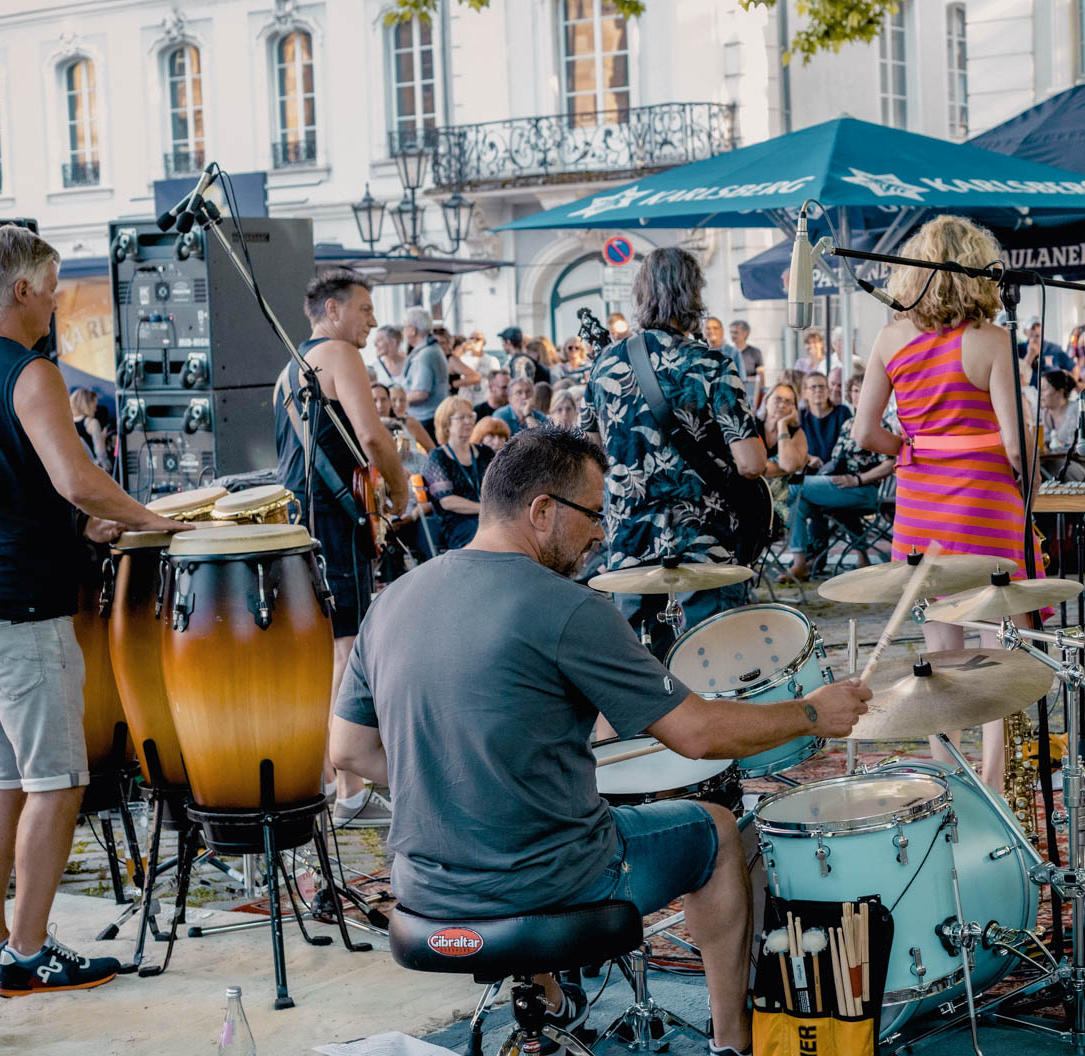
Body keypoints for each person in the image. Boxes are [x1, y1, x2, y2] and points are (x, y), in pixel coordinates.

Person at [328, 427, 871, 1056]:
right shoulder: (568, 608)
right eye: (592, 512)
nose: (600, 534)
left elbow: (347, 752)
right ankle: (733, 1043)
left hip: (423, 893)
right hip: (550, 883)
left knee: (528, 824)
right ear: (541, 511)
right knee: (719, 830)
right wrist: (811, 712)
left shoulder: (392, 601)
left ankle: (550, 1000)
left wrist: (466, 780)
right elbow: (696, 734)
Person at [0, 225, 193, 996]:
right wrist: (151, 519)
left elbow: (5, 492)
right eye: (54, 283)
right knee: (55, 780)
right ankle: (27, 953)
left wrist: (79, 526)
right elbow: (76, 478)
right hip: (22, 606)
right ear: (23, 288)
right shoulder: (27, 373)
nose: (58, 298)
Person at [853, 215, 1044, 791]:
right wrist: (1031, 488)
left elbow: (864, 434)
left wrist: (909, 447)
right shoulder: (991, 341)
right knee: (997, 652)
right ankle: (993, 781)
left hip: (922, 501)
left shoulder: (890, 338)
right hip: (986, 498)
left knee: (940, 650)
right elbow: (1016, 444)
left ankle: (948, 783)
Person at [583, 247, 768, 658]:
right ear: (693, 296)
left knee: (637, 666)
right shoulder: (711, 365)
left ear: (641, 295)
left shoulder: (604, 366)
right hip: (703, 543)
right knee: (715, 660)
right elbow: (752, 464)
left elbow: (589, 455)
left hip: (630, 540)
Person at [272, 269, 408, 828]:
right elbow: (373, 437)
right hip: (334, 517)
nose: (373, 321)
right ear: (332, 310)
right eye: (365, 308)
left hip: (302, 517)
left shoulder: (289, 369)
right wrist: (400, 492)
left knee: (329, 648)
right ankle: (346, 786)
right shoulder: (339, 355)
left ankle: (339, 783)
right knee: (346, 648)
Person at [787, 373, 896, 580]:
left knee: (793, 487)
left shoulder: (880, 424)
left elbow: (890, 464)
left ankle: (771, 509)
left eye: (864, 390)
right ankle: (799, 564)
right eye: (855, 390)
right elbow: (836, 461)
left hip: (864, 490)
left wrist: (857, 480)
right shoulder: (848, 425)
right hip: (841, 487)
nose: (859, 395)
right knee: (798, 504)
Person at [421, 396, 491, 551]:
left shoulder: (485, 452)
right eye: (461, 417)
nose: (468, 421)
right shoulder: (438, 457)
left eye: (471, 416)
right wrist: (485, 508)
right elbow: (448, 501)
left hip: (491, 517)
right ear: (447, 424)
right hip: (460, 523)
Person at [402, 307, 450, 441]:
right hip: (432, 418)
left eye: (405, 327)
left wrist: (397, 400)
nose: (403, 332)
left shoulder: (425, 355)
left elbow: (420, 393)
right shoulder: (432, 349)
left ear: (412, 330)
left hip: (426, 421)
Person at [798, 371, 852, 473]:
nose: (818, 390)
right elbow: (793, 448)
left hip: (838, 474)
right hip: (809, 473)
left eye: (822, 386)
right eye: (813, 387)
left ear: (828, 390)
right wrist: (809, 458)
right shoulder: (800, 415)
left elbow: (849, 447)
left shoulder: (842, 412)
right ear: (804, 393)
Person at [729, 319, 765, 405]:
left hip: (750, 396)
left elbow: (761, 376)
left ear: (746, 333)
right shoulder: (727, 352)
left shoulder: (755, 352)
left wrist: (761, 396)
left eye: (736, 332)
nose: (733, 335)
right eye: (731, 332)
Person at [69, 387, 106, 469]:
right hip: (92, 470)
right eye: (94, 405)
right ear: (87, 404)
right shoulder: (92, 423)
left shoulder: (67, 423)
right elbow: (101, 455)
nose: (96, 409)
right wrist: (102, 441)